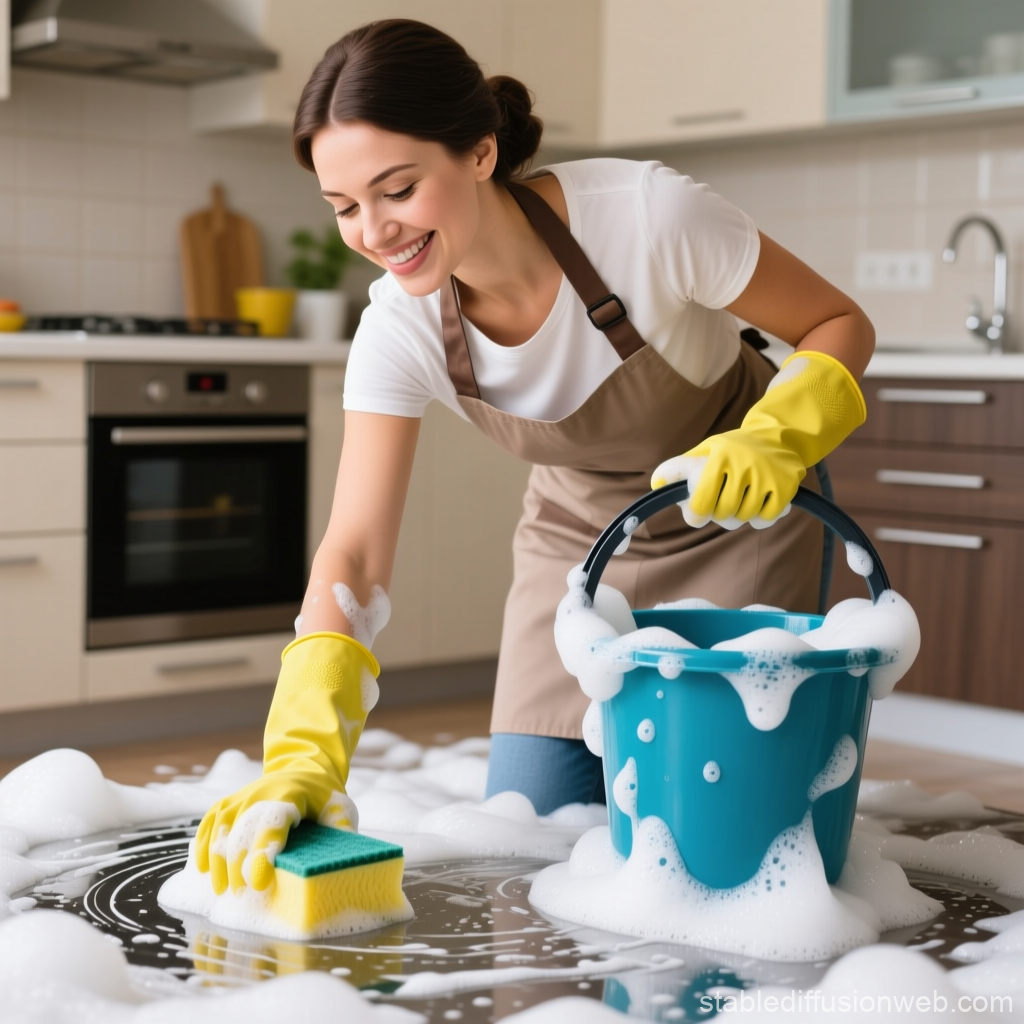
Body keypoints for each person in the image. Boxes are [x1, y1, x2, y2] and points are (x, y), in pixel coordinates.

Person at [192, 19, 874, 896]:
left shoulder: (646, 219)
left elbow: (838, 322)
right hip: (579, 539)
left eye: (397, 189)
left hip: (738, 513)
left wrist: (775, 437)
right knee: (532, 842)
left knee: (724, 856)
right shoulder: (399, 328)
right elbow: (354, 552)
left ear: (479, 153)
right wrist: (302, 753)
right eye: (344, 206)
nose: (374, 231)